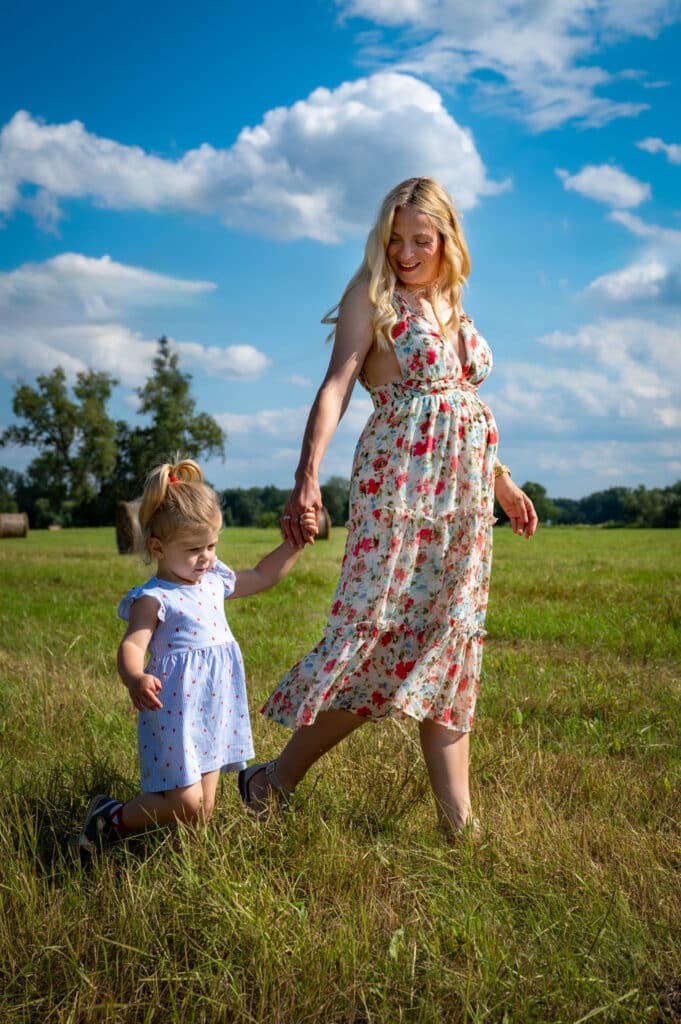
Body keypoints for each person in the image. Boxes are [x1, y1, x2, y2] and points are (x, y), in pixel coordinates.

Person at [238, 177, 538, 839]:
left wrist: (502, 485)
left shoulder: (454, 302)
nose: (404, 252)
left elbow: (463, 414)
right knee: (378, 641)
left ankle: (458, 823)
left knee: (449, 641)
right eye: (394, 239)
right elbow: (335, 386)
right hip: (398, 494)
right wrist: (305, 473)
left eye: (419, 241)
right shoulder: (371, 297)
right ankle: (272, 781)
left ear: (446, 240)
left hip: (461, 505)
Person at [78, 457, 317, 856]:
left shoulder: (213, 579)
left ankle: (189, 862)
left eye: (211, 545)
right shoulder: (155, 598)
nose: (206, 557)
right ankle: (109, 819)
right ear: (157, 547)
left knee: (202, 811)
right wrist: (134, 677)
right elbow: (132, 645)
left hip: (214, 705)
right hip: (176, 710)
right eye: (193, 549)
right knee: (186, 803)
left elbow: (261, 576)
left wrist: (293, 545)